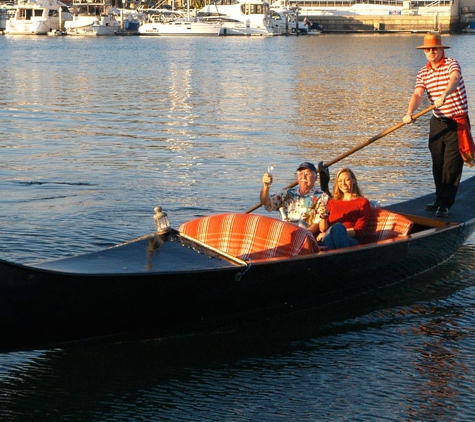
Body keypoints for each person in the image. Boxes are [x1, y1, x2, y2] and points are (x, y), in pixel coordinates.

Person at [402, 33, 471, 219]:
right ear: (424, 52)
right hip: (437, 121)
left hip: (456, 121)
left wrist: (445, 94)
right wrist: (409, 113)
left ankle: (446, 203)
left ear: (441, 50)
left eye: (435, 49)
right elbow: (417, 94)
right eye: (428, 50)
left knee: (451, 165)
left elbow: (454, 79)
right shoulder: (423, 72)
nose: (431, 52)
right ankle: (439, 198)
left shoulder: (451, 63)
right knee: (437, 163)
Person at [260, 162, 329, 237]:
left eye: (307, 174)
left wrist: (301, 234)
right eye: (300, 173)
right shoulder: (287, 192)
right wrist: (265, 187)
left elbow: (318, 223)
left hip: (304, 236)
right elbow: (265, 202)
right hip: (283, 233)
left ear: (315, 178)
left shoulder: (321, 196)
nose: (303, 176)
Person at [317, 167, 370, 250]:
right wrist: (323, 217)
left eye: (347, 180)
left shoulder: (363, 202)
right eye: (340, 181)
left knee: (338, 227)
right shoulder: (332, 202)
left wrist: (335, 233)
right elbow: (323, 229)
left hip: (351, 240)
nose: (343, 183)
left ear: (354, 181)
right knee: (331, 238)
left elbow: (358, 230)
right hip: (329, 237)